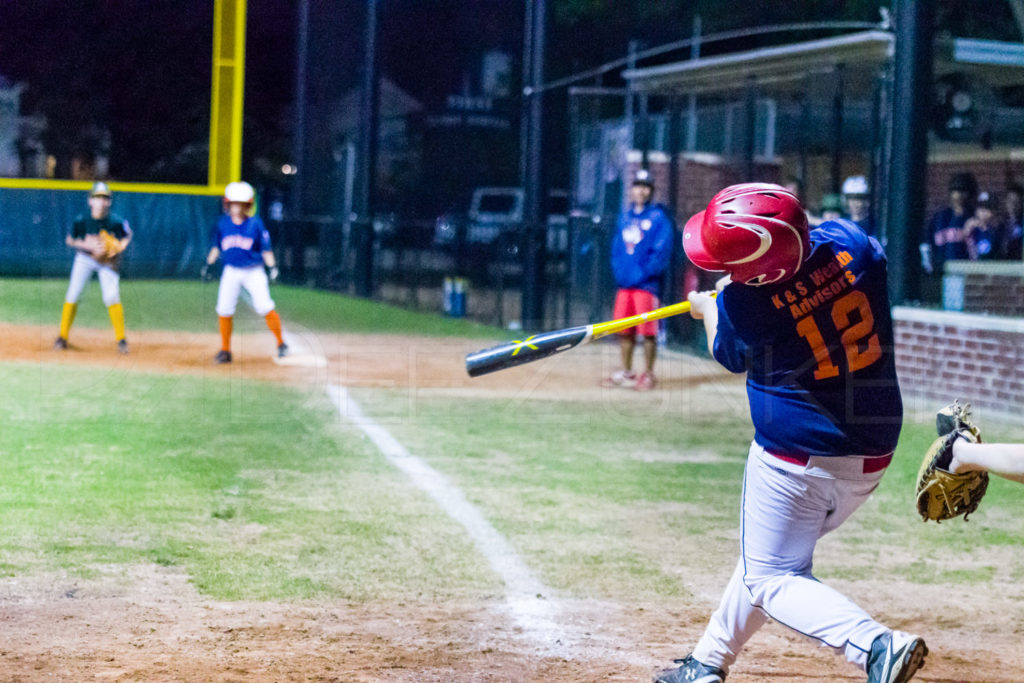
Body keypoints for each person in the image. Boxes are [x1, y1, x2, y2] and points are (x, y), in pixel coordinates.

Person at [656, 183, 926, 683]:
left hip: (795, 461)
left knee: (772, 576)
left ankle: (875, 646)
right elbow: (819, 263)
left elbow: (728, 352)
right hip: (872, 453)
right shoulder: (853, 243)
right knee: (770, 556)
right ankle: (706, 664)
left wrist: (710, 308)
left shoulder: (743, 305)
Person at [202, 181, 288, 364]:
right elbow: (216, 247)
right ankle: (225, 350)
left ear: (247, 205)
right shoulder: (223, 224)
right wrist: (208, 265)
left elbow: (266, 249)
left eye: (240, 204)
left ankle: (281, 343)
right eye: (233, 203)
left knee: (264, 306)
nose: (236, 207)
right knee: (224, 309)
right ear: (227, 204)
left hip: (253, 271)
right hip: (231, 271)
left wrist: (272, 268)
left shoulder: (255, 224)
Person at [603, 169, 673, 391]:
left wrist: (641, 274)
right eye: (637, 186)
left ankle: (649, 374)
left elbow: (660, 254)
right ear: (631, 189)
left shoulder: (659, 219)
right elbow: (616, 249)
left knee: (648, 332)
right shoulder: (625, 217)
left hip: (646, 286)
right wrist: (620, 273)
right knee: (625, 330)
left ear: (650, 191)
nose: (640, 190)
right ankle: (626, 371)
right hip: (625, 285)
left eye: (645, 186)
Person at [53, 181, 133, 354]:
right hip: (85, 258)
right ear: (90, 201)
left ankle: (121, 340)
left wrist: (119, 247)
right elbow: (69, 239)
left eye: (105, 198)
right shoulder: (81, 220)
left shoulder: (116, 222)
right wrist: (85, 245)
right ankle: (62, 337)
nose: (101, 201)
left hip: (107, 262)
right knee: (73, 294)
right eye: (97, 197)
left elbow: (127, 235)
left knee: (111, 296)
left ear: (109, 202)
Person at [921, 172, 976, 277]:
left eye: (962, 191)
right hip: (940, 272)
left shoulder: (972, 217)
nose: (958, 195)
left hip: (964, 274)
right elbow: (926, 244)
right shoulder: (940, 217)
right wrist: (929, 266)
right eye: (955, 191)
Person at [963, 191, 1005, 261]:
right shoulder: (972, 228)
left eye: (987, 208)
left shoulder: (999, 229)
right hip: (973, 268)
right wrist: (967, 232)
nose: (983, 211)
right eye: (980, 207)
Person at [1001, 183, 1022, 260]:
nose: (1013, 205)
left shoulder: (1021, 223)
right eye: (1010, 201)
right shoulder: (1001, 224)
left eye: (1016, 202)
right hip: (1003, 265)